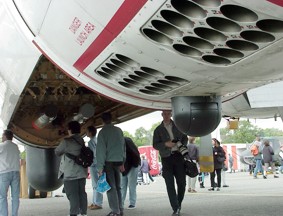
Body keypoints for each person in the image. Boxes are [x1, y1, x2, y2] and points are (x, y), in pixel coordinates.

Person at [153, 110, 188, 216]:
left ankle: (178, 203)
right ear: (162, 115)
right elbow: (155, 145)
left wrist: (182, 146)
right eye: (165, 114)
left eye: (168, 113)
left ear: (171, 114)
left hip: (178, 157)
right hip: (166, 158)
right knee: (169, 184)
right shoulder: (158, 130)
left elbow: (185, 138)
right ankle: (175, 208)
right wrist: (165, 144)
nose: (166, 115)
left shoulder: (178, 126)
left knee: (182, 183)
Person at [55, 121, 88, 216]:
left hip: (70, 173)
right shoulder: (81, 140)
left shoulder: (66, 141)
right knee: (82, 193)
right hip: (82, 172)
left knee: (72, 194)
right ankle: (83, 213)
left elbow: (57, 152)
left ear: (69, 130)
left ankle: (74, 213)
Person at [96, 112, 125, 216]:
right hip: (118, 161)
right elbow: (123, 147)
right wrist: (123, 162)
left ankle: (115, 211)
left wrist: (99, 167)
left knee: (111, 187)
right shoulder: (118, 131)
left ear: (102, 121)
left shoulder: (102, 132)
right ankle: (120, 209)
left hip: (108, 163)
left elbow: (101, 151)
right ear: (111, 119)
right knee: (118, 186)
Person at [0, 129, 20, 216]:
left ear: (4, 136)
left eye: (2, 135)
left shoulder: (1, 146)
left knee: (3, 197)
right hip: (15, 173)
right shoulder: (15, 146)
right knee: (15, 197)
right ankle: (14, 214)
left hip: (4, 173)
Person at [121, 137, 141, 210]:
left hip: (132, 165)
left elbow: (134, 157)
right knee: (127, 186)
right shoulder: (125, 141)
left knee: (128, 186)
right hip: (126, 166)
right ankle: (123, 203)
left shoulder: (125, 141)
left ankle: (131, 203)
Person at [87, 126, 104, 210]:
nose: (86, 133)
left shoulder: (91, 142)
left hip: (94, 164)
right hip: (99, 164)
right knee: (98, 183)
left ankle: (97, 203)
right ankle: (95, 202)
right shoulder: (98, 140)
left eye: (87, 131)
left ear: (90, 133)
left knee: (95, 184)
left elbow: (94, 154)